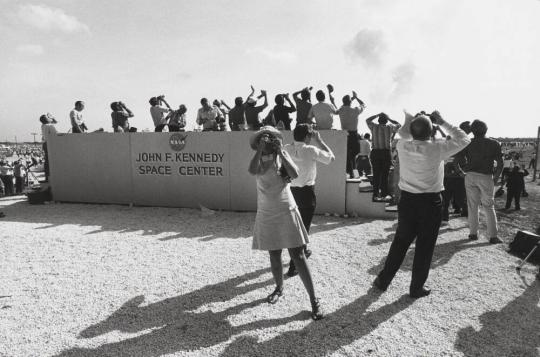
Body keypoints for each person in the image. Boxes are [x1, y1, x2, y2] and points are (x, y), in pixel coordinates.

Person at [373, 111, 470, 298]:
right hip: (430, 202)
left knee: (400, 242)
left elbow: (404, 133)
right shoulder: (438, 148)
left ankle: (383, 280)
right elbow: (464, 138)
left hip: (408, 201)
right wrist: (441, 121)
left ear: (411, 130)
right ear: (432, 130)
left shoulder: (402, 145)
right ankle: (416, 288)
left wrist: (414, 120)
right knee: (425, 247)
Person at [248, 126, 323, 320]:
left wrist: (281, 151)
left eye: (270, 138)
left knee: (298, 255)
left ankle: (314, 299)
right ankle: (279, 288)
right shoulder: (258, 157)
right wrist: (260, 151)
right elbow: (252, 170)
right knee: (274, 254)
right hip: (266, 210)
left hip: (285, 208)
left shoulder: (281, 156)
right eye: (263, 138)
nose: (266, 141)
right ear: (257, 142)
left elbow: (295, 174)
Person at [283, 124, 335, 277]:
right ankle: (294, 266)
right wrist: (320, 141)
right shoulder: (311, 150)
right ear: (307, 136)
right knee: (303, 229)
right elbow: (331, 158)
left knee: (295, 228)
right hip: (306, 193)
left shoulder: (286, 148)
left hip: (290, 192)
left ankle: (303, 251)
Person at [456, 120, 503, 244]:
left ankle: (473, 233)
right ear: (486, 130)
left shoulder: (468, 143)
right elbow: (500, 163)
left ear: (472, 131)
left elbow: (456, 160)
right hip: (486, 176)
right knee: (489, 206)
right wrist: (496, 177)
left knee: (472, 206)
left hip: (470, 175)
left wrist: (461, 172)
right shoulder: (494, 143)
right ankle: (493, 236)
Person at [366, 112, 401, 201]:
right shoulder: (389, 127)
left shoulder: (374, 127)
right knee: (384, 175)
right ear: (386, 121)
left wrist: (377, 114)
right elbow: (399, 124)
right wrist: (389, 118)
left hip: (375, 152)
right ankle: (384, 194)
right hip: (385, 153)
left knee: (376, 174)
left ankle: (375, 194)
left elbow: (367, 120)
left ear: (378, 120)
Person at [338, 90, 366, 177]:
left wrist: (351, 99)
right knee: (353, 154)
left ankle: (351, 173)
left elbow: (344, 105)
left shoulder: (341, 110)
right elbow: (364, 104)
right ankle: (352, 173)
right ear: (350, 102)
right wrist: (356, 97)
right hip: (353, 134)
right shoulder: (356, 110)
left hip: (344, 135)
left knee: (349, 156)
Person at [40, 113, 58, 181]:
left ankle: (47, 177)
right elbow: (55, 134)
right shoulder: (50, 126)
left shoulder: (43, 125)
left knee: (47, 161)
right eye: (47, 118)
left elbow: (54, 122)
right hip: (50, 144)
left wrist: (51, 117)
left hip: (45, 144)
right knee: (51, 160)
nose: (49, 118)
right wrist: (52, 117)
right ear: (46, 119)